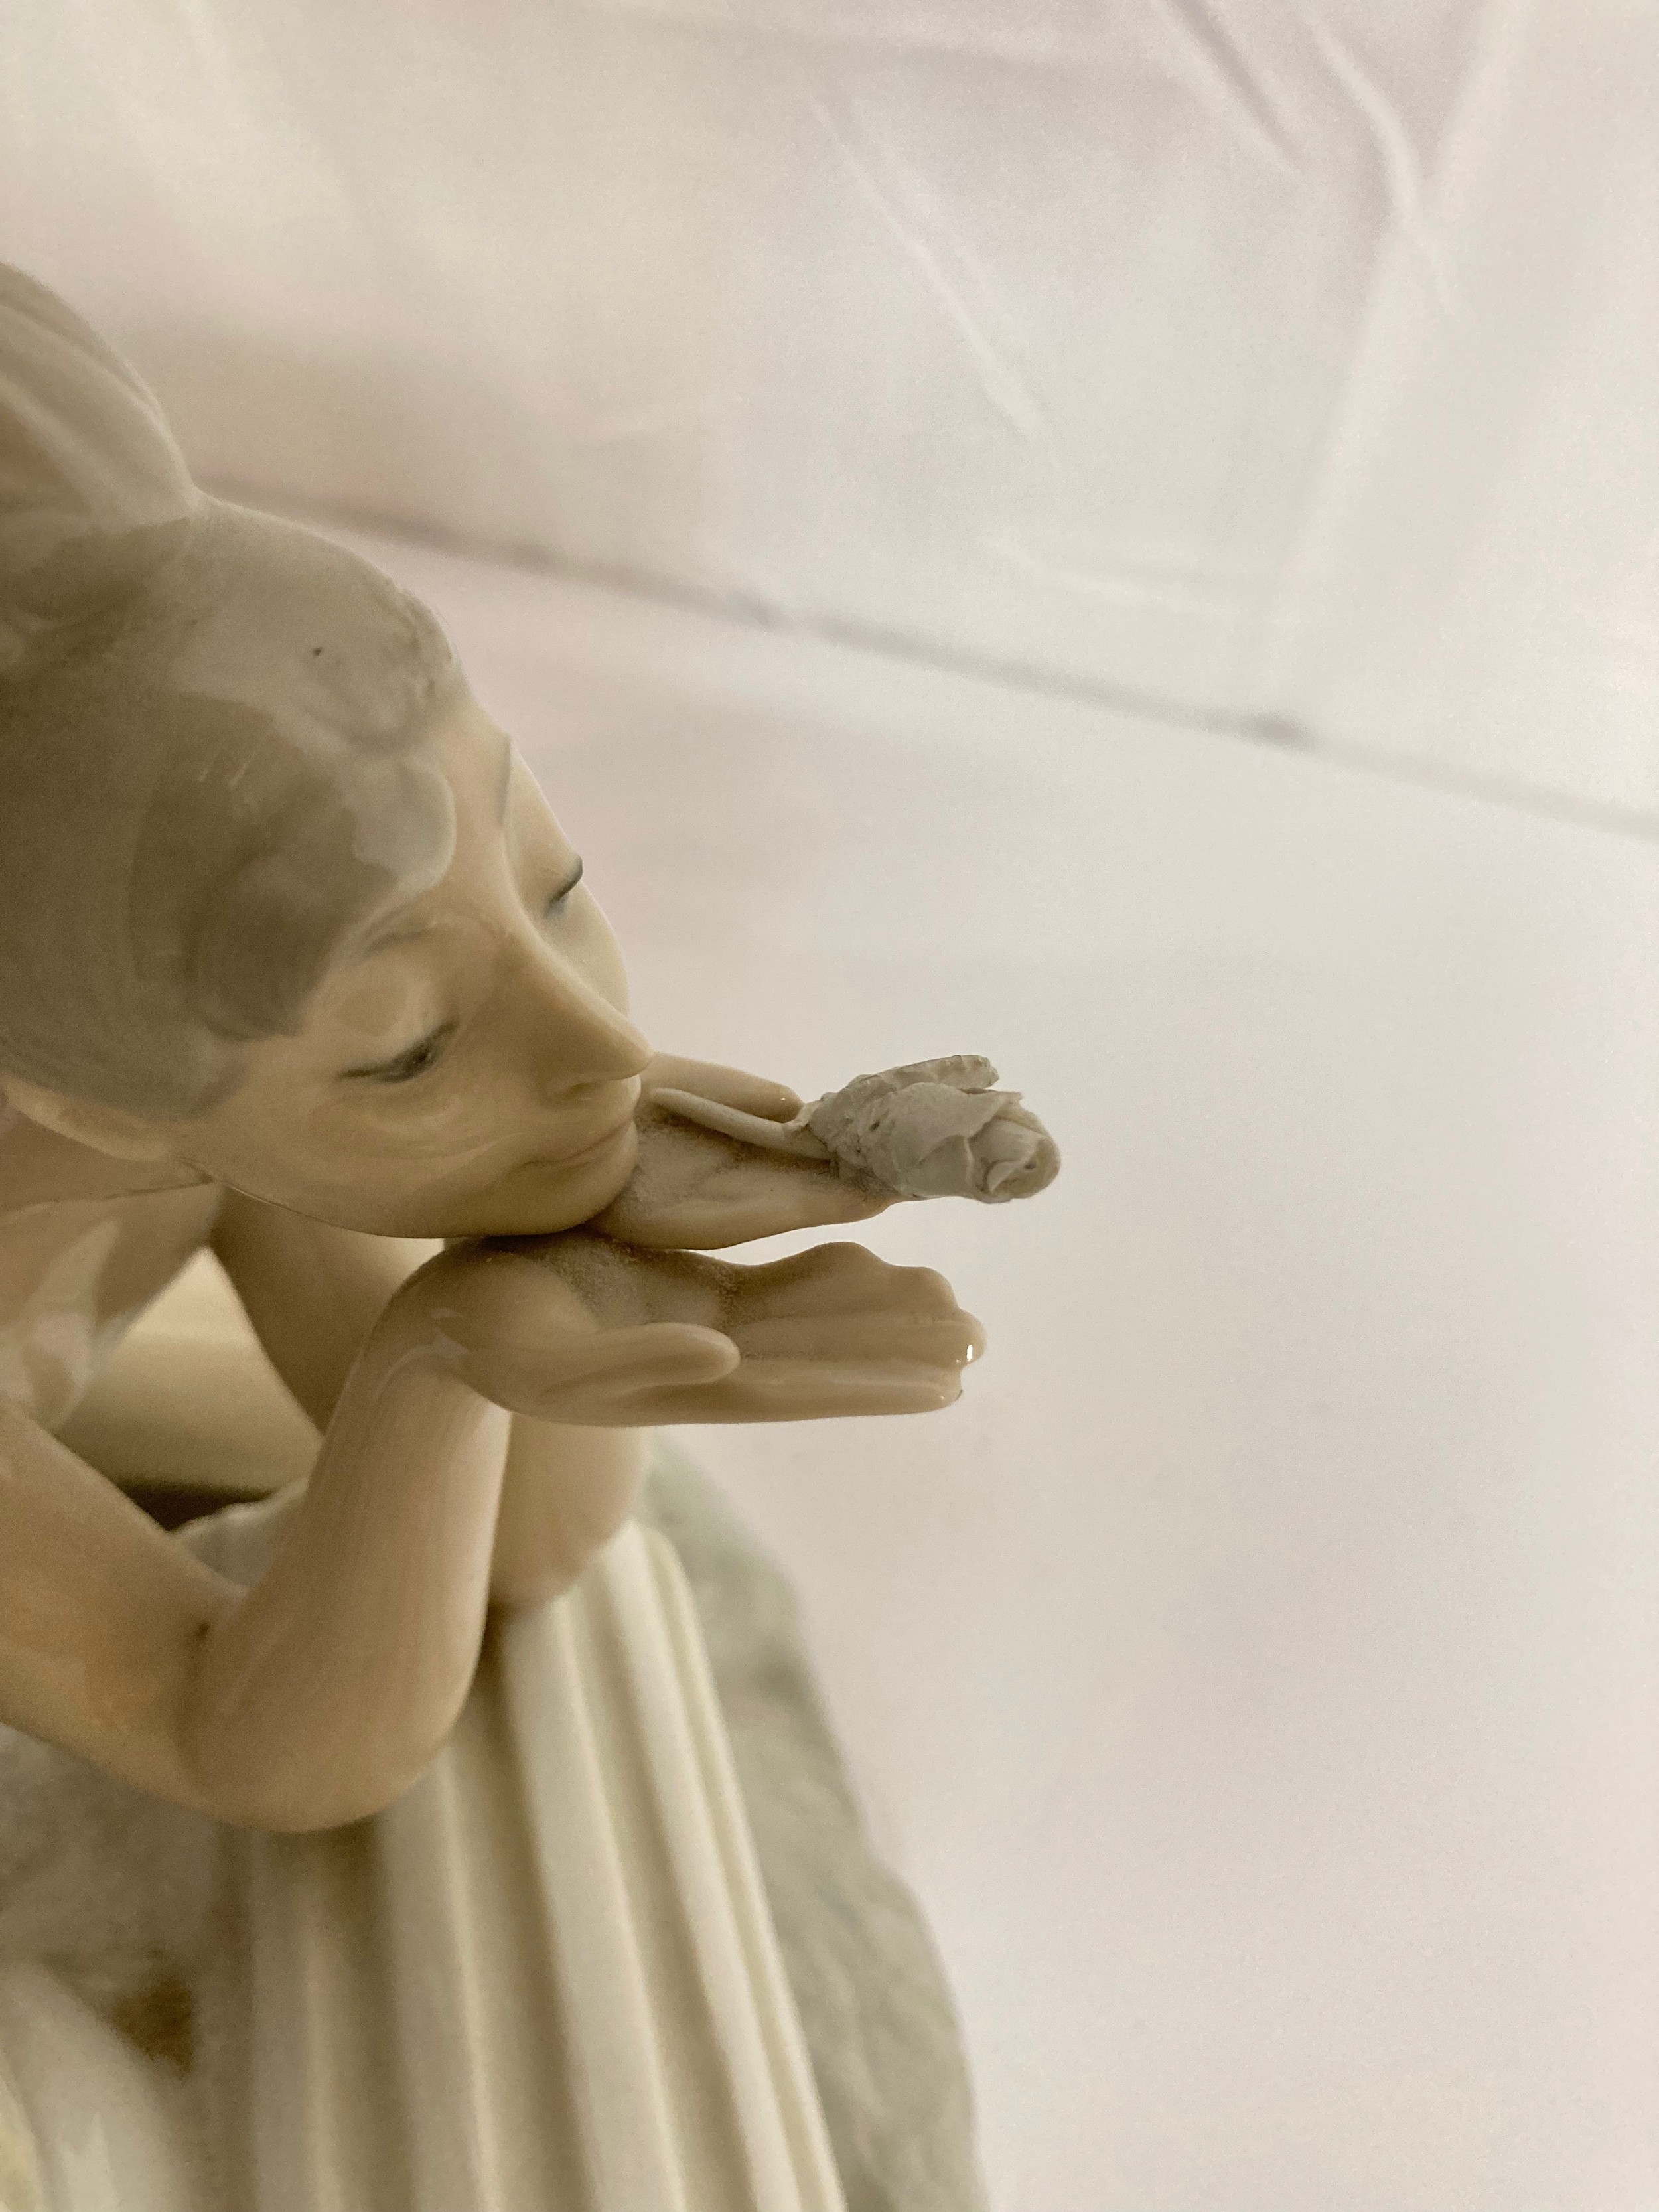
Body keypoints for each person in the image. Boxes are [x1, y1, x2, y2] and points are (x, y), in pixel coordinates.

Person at [0, 265, 981, 1834]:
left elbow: (531, 1550)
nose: (606, 1040)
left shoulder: (215, 1119)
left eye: (553, 879)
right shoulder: (178, 1076)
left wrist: (524, 1265)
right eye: (405, 1049)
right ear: (76, 1105)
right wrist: (429, 1378)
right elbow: (246, 1741)